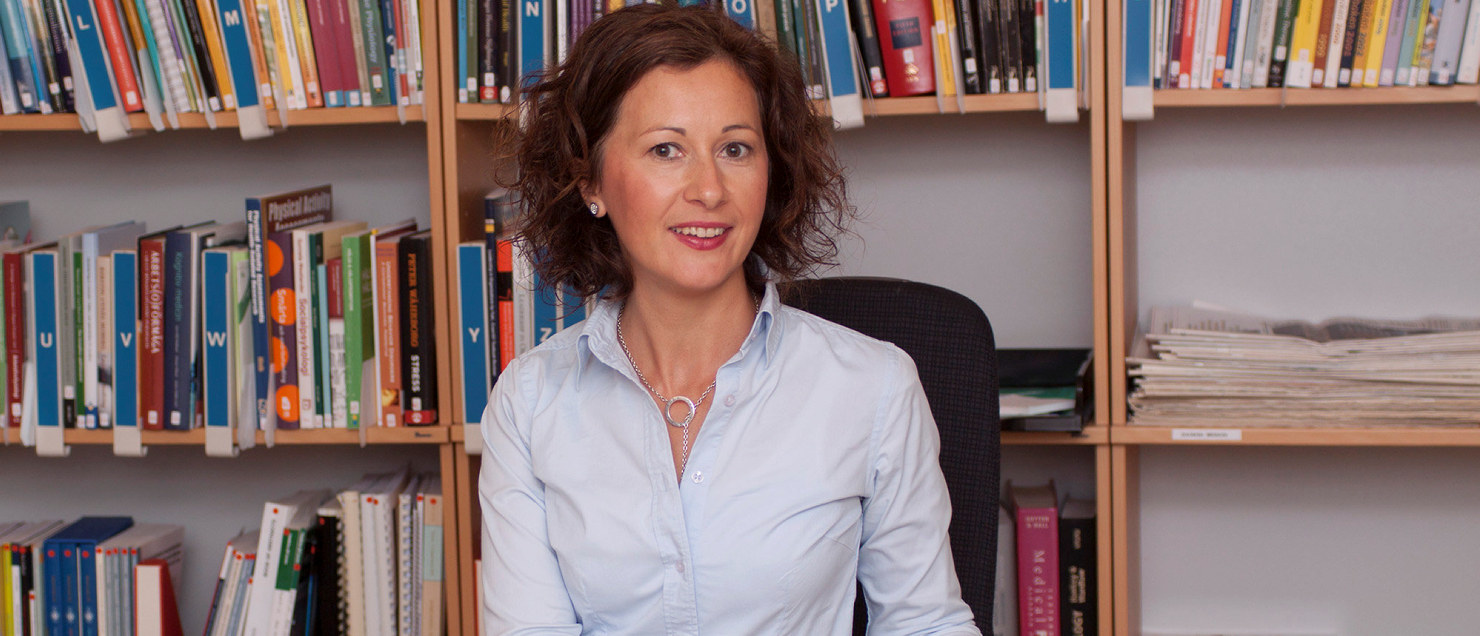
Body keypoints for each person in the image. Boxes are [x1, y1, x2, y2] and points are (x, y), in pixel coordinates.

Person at [478, 4, 980, 634]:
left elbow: (926, 623)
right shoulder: (529, 404)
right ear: (591, 183)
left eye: (735, 149)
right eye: (666, 149)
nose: (709, 189)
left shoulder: (874, 388)